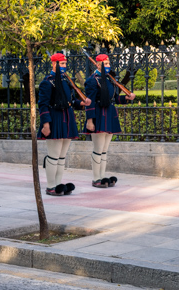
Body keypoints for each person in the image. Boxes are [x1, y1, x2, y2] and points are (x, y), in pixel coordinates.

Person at [37, 52, 91, 196]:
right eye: (62, 64)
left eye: (65, 64)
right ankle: (50, 186)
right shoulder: (47, 82)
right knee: (53, 155)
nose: (64, 66)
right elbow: (43, 104)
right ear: (54, 64)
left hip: (67, 118)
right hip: (55, 118)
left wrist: (82, 103)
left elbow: (71, 101)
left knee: (62, 156)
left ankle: (58, 184)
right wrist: (46, 124)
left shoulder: (66, 82)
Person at [83, 54, 136, 188]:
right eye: (105, 64)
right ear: (97, 64)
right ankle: (96, 178)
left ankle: (102, 176)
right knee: (98, 149)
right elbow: (90, 102)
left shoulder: (108, 79)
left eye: (108, 63)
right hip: (99, 115)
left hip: (110, 114)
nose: (107, 66)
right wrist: (90, 121)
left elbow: (115, 98)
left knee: (105, 150)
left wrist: (127, 98)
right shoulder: (92, 81)